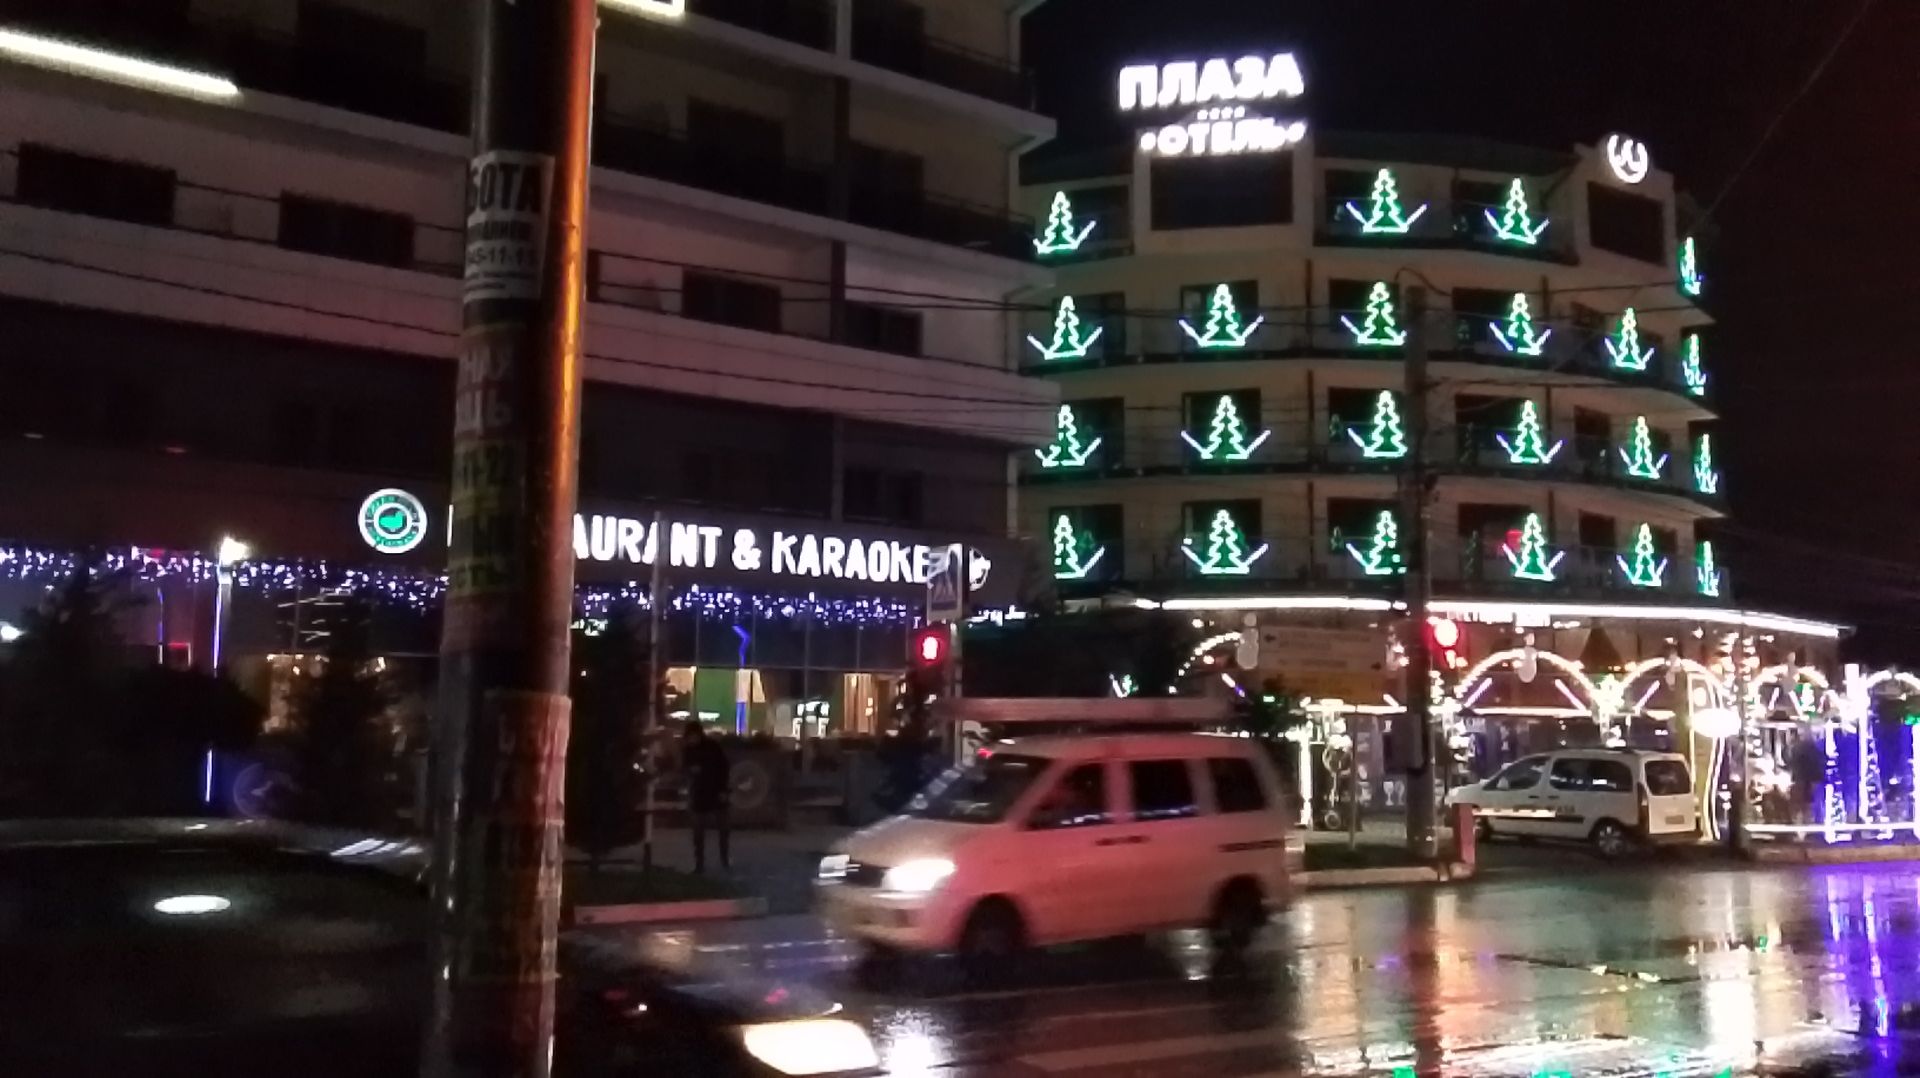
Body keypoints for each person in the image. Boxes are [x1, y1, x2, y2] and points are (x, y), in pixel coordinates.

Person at [683, 721, 731, 873]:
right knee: (698, 832)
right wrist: (691, 771)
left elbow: (723, 767)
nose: (692, 740)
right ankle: (700, 863)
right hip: (700, 794)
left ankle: (724, 858)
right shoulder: (689, 750)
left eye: (693, 736)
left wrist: (723, 789)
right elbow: (685, 767)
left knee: (723, 829)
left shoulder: (712, 747)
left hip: (715, 791)